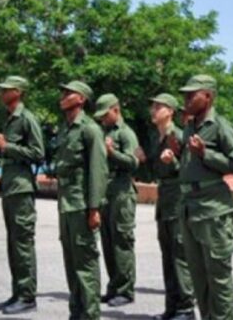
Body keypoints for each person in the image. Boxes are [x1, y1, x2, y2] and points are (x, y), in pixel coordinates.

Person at [179, 74, 233, 320]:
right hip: (190, 208)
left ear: (208, 96)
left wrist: (206, 153)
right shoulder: (190, 126)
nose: (186, 99)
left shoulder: (220, 125)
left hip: (213, 209)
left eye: (192, 95)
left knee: (218, 277)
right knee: (198, 277)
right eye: (185, 95)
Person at [0, 76, 44, 315]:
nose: (1, 93)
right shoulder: (9, 119)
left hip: (22, 189)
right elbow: (10, 153)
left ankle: (27, 297)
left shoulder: (27, 118)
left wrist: (6, 146)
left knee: (23, 243)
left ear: (18, 92)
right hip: (10, 188)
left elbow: (38, 153)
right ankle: (18, 293)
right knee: (13, 244)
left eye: (5, 90)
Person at [55, 81, 108, 320]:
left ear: (81, 99)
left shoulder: (90, 129)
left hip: (81, 205)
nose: (63, 96)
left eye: (69, 93)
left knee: (85, 263)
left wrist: (94, 208)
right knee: (71, 263)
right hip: (66, 204)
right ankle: (76, 312)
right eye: (63, 92)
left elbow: (98, 170)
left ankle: (90, 314)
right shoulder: (66, 129)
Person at [145, 93, 196, 320]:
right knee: (167, 256)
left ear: (170, 112)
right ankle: (172, 306)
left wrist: (173, 161)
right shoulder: (157, 138)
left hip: (177, 201)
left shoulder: (179, 136)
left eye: (159, 107)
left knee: (179, 255)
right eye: (153, 107)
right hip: (164, 201)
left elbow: (190, 170)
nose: (153, 110)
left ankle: (186, 308)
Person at [93, 93, 140, 307]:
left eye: (105, 115)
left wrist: (112, 152)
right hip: (106, 191)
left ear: (116, 110)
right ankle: (113, 287)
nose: (103, 119)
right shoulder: (103, 132)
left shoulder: (126, 133)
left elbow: (134, 162)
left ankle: (125, 290)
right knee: (108, 241)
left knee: (122, 241)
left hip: (122, 192)